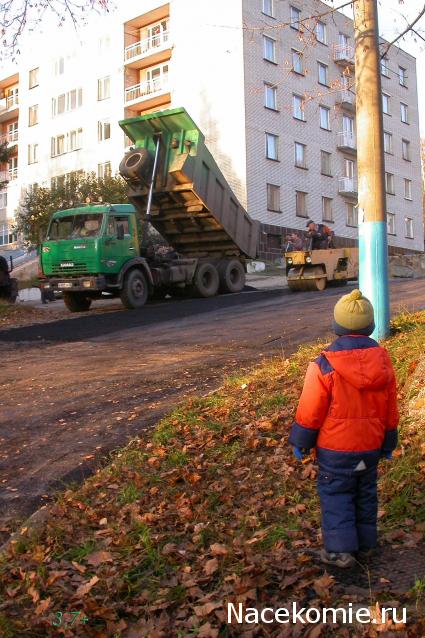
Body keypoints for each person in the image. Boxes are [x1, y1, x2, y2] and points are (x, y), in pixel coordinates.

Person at [289, 289, 399, 568]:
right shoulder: (383, 362)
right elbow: (389, 408)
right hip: (370, 448)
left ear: (337, 326)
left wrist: (301, 440)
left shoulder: (324, 364)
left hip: (335, 450)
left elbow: (311, 408)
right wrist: (388, 442)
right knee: (365, 494)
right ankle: (365, 544)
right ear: (371, 326)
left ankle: (340, 550)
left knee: (336, 495)